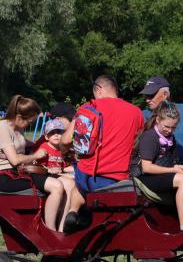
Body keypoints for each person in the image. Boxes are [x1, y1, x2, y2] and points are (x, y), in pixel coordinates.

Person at [60, 75, 144, 232]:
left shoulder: (89, 108)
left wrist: (64, 153)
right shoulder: (137, 112)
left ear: (99, 89)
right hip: (121, 178)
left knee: (78, 181)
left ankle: (73, 211)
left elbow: (65, 141)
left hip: (91, 177)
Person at [0, 95, 68, 231]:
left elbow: (26, 143)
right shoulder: (2, 128)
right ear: (19, 117)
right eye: (29, 122)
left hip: (19, 173)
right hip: (6, 178)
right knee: (56, 186)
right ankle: (51, 230)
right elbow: (14, 160)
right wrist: (36, 155)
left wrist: (48, 143)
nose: (30, 125)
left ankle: (62, 227)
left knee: (66, 182)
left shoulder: (18, 128)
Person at [131, 102, 183, 231]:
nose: (169, 130)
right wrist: (174, 170)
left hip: (162, 175)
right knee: (182, 179)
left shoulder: (170, 138)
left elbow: (171, 164)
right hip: (145, 178)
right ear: (158, 120)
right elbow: (146, 167)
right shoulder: (149, 137)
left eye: (173, 127)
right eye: (167, 127)